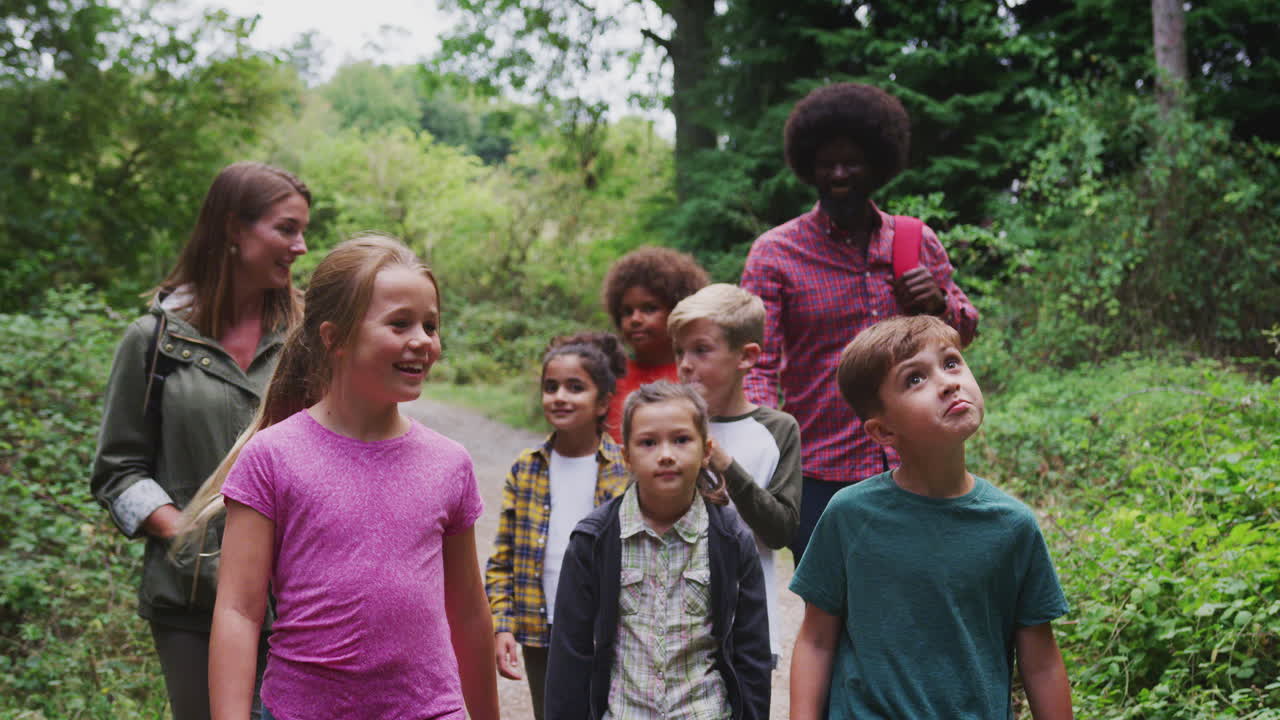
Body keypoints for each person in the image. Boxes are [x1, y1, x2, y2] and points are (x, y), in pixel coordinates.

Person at [177, 235, 500, 720]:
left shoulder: (449, 463)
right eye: (400, 323)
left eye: (431, 325)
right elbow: (239, 613)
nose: (423, 340)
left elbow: (470, 615)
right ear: (335, 338)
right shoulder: (273, 458)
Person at [91, 162, 310, 720]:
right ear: (235, 229)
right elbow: (118, 472)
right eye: (286, 229)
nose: (302, 246)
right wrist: (186, 534)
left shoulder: (310, 336)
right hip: (191, 604)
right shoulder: (154, 341)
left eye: (303, 231)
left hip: (300, 598)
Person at [740, 82, 979, 565]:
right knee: (834, 611)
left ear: (878, 163)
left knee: (920, 594)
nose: (839, 173)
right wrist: (768, 446)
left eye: (852, 161)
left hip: (918, 458)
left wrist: (938, 303)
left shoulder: (914, 240)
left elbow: (962, 335)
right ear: (808, 166)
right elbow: (757, 362)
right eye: (827, 163)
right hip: (821, 470)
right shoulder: (776, 253)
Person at [789, 316, 1072, 720]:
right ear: (883, 431)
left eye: (952, 362)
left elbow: (1041, 661)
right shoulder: (849, 515)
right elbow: (817, 640)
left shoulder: (1012, 526)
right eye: (915, 379)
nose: (947, 382)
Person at [545, 381, 771, 720]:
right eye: (648, 442)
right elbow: (570, 653)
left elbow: (752, 651)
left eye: (681, 440)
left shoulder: (731, 540)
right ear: (627, 457)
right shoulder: (593, 541)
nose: (666, 454)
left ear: (706, 450)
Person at [485, 332, 631, 720]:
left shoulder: (626, 468)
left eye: (575, 387)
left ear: (602, 402)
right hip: (541, 627)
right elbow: (502, 558)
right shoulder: (526, 467)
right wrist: (502, 626)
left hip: (608, 629)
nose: (560, 396)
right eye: (551, 387)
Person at [667, 283, 801, 665]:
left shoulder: (778, 430)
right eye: (680, 351)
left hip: (749, 629)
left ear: (746, 356)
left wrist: (725, 466)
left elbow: (781, 531)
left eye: (701, 350)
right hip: (670, 626)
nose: (686, 364)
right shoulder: (667, 425)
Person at [600, 246, 709, 442]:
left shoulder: (696, 375)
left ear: (678, 311)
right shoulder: (610, 378)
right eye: (627, 311)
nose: (635, 319)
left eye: (649, 309)